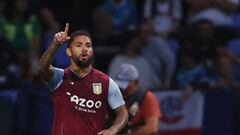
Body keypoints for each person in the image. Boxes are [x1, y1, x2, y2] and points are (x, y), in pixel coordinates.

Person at [37, 23, 128, 135]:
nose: (84, 49)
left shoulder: (106, 82)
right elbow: (42, 69)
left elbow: (122, 112)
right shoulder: (60, 77)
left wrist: (113, 129)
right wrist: (55, 45)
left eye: (88, 45)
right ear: (68, 52)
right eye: (79, 45)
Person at [113, 63, 161, 135]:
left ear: (136, 82)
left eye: (126, 84)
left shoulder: (147, 97)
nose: (122, 88)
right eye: (120, 84)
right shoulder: (113, 96)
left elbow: (152, 127)